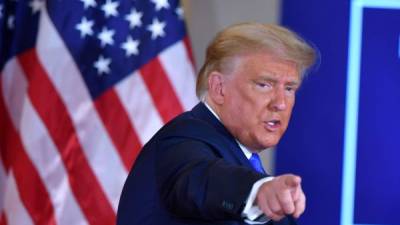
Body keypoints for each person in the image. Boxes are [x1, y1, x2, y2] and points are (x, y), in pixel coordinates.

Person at [117, 22, 316, 225]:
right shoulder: (182, 140)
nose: (280, 103)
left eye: (290, 88)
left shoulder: (247, 164)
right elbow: (202, 178)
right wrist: (257, 192)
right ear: (219, 88)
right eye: (264, 85)